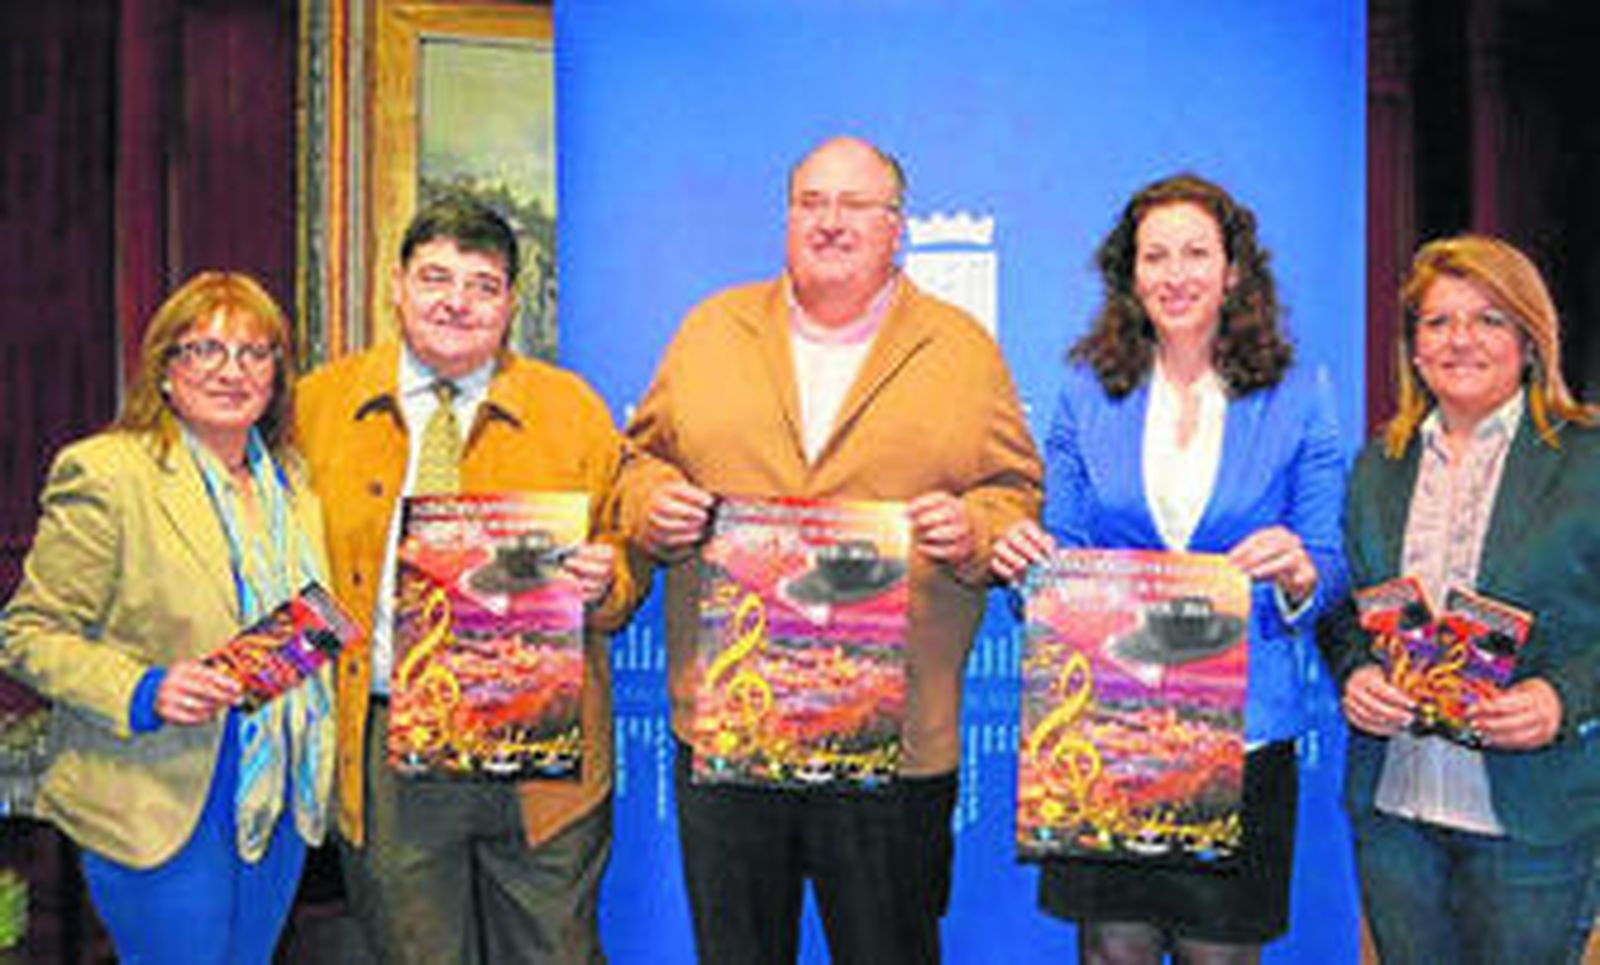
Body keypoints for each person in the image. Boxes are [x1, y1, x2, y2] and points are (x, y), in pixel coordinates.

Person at [615, 135, 1042, 964]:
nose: (831, 222)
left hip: (894, 734)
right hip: (729, 724)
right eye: (812, 202)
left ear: (896, 228)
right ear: (787, 219)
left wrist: (973, 533)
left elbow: (1014, 491)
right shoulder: (710, 330)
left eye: (856, 205)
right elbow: (639, 461)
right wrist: (648, 508)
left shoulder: (961, 350)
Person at [991, 173, 1347, 964]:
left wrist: (1295, 571)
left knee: (1219, 955)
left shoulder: (1299, 395)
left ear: (1234, 271)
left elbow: (1330, 565)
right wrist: (1029, 566)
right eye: (1155, 255)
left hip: (1246, 734)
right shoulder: (1087, 393)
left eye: (1196, 253)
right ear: (1130, 273)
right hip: (1113, 729)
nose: (1175, 273)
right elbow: (1063, 552)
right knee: (1112, 953)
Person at [295, 195, 644, 964]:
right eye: (436, 277)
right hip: (389, 744)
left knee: (555, 951)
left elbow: (629, 545)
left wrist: (609, 575)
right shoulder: (317, 406)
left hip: (543, 751)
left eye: (483, 284)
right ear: (397, 285)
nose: (457, 301)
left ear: (511, 303)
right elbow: (280, 571)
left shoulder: (572, 410)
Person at [0, 272, 333, 963]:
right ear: (166, 370)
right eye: (205, 349)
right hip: (161, 800)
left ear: (277, 373)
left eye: (253, 352)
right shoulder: (107, 472)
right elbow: (26, 633)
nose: (231, 370)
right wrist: (146, 689)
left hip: (276, 797)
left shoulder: (292, 482)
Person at [1318, 235, 1600, 965]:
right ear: (1413, 350)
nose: (1460, 340)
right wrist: (1355, 673)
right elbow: (1344, 604)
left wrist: (1563, 697)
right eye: (1437, 322)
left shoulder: (1588, 460)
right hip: (1397, 811)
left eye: (1488, 319)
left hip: (1533, 819)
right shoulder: (1378, 463)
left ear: (1531, 340)